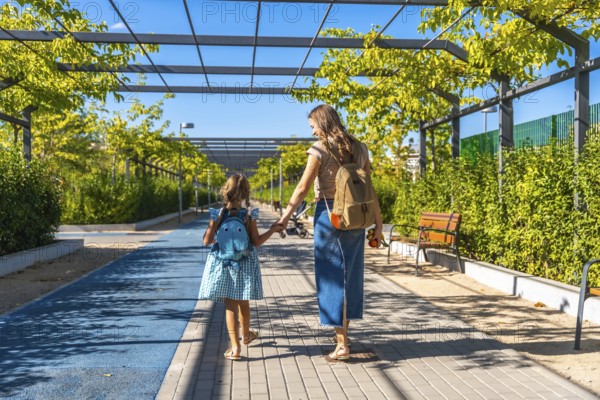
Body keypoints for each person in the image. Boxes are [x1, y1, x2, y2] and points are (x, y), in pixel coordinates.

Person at [276, 104, 384, 361]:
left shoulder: (319, 149)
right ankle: (344, 336)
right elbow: (369, 189)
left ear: (323, 123)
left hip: (330, 216)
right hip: (357, 218)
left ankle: (342, 343)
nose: (312, 132)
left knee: (331, 277)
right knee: (351, 276)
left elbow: (302, 187)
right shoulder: (360, 148)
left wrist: (285, 217)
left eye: (313, 126)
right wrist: (378, 226)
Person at [198, 173, 284, 361]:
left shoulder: (218, 214)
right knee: (243, 302)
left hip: (223, 263)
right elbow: (257, 242)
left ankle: (235, 347)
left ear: (225, 191)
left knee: (230, 305)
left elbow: (206, 241)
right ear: (246, 193)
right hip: (245, 262)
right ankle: (246, 336)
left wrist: (214, 230)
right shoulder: (249, 215)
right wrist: (273, 229)